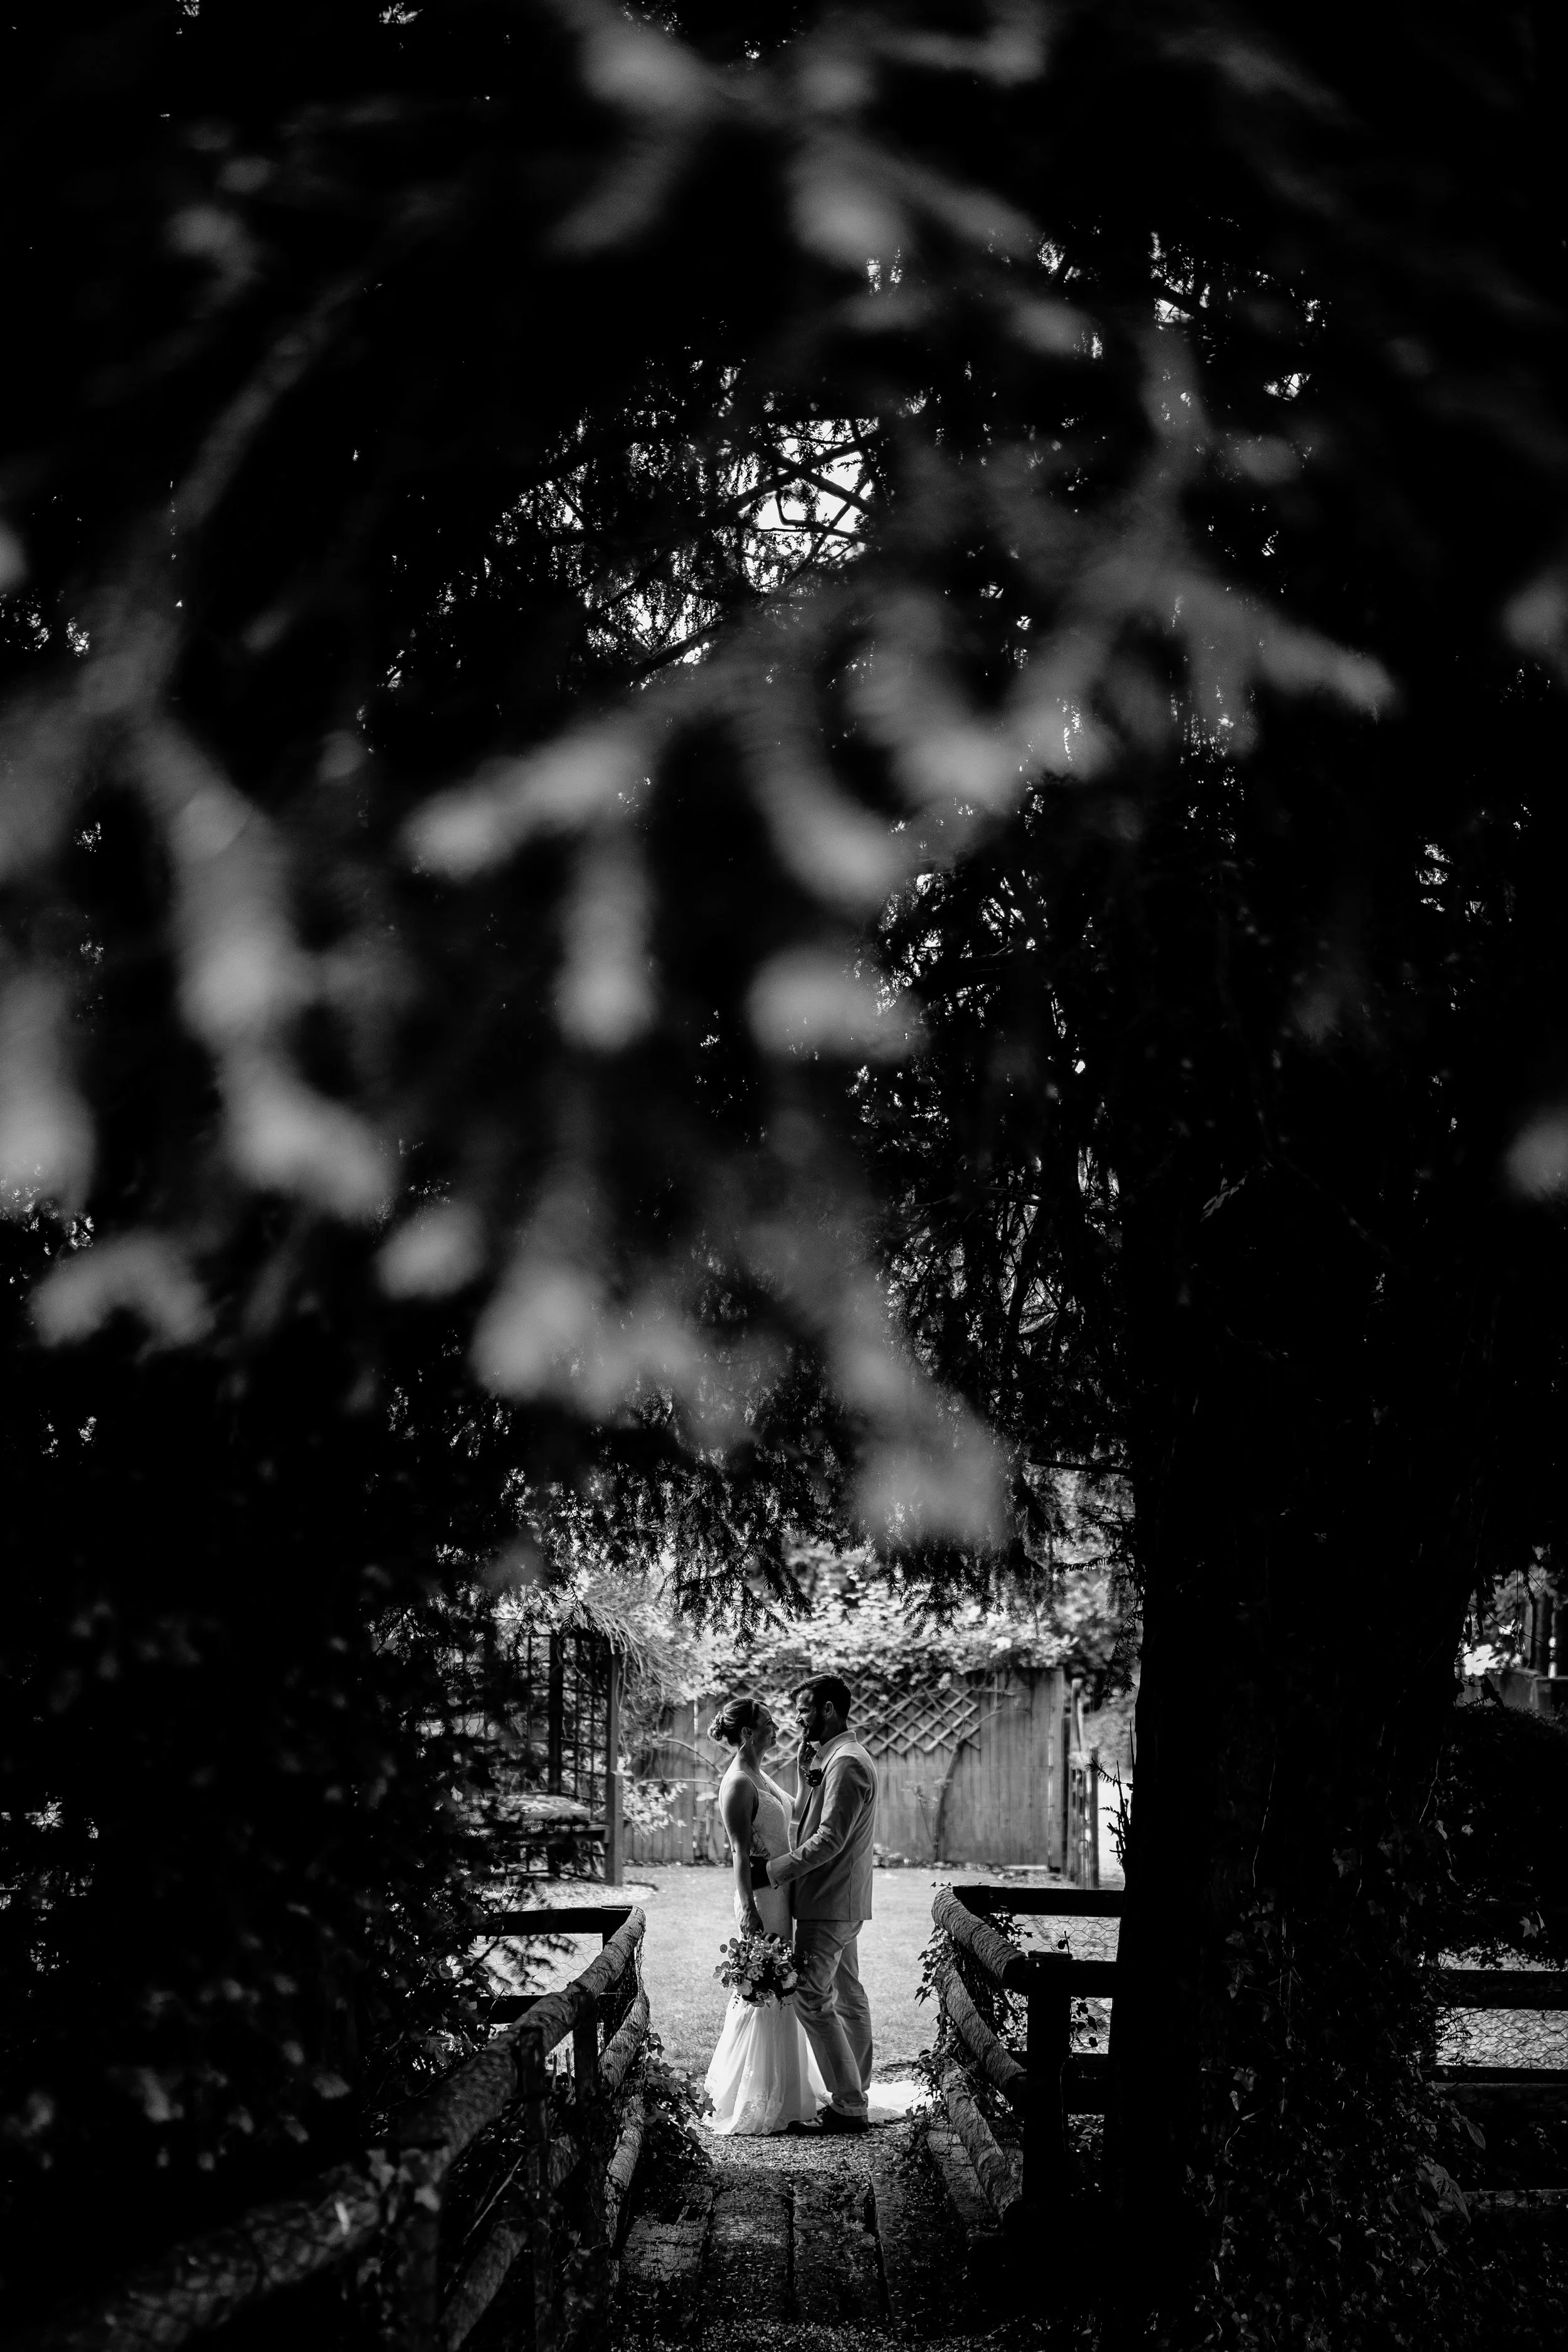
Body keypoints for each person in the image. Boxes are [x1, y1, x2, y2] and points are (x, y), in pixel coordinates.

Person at [753, 1672, 879, 2132]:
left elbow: (828, 1839)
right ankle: (856, 2090)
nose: (798, 1718)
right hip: (842, 1898)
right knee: (848, 1995)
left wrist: (772, 1871)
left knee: (811, 1997)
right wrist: (808, 1779)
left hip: (829, 1900)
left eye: (806, 1709)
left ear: (828, 1709)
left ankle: (848, 2104)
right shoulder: (839, 1758)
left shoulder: (847, 1763)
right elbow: (815, 1816)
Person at [701, 1693, 829, 2135]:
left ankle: (789, 2089)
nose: (779, 1727)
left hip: (780, 1894)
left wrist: (800, 1769)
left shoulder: (759, 1773)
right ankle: (756, 2095)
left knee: (782, 1986)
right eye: (771, 1723)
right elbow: (737, 1854)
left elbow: (792, 1812)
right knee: (766, 1987)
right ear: (749, 1733)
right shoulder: (737, 1783)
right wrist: (748, 1913)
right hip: (761, 1897)